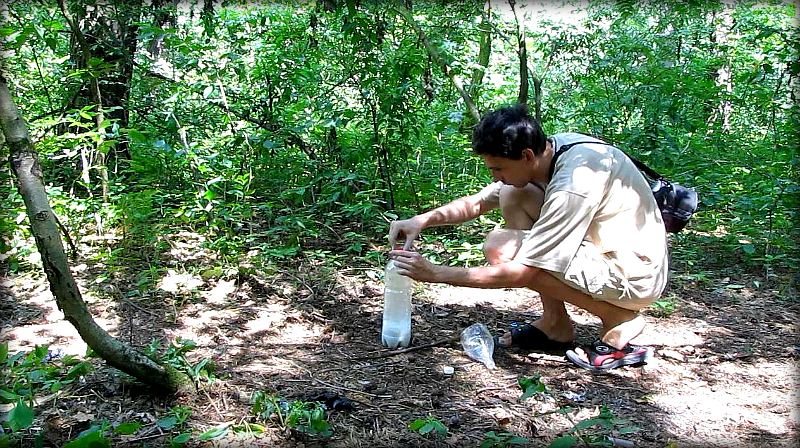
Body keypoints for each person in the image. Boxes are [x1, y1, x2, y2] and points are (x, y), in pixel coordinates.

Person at [387, 104, 669, 371]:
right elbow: (479, 202)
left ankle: (617, 318)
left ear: (526, 156)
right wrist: (421, 220)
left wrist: (436, 273)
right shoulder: (549, 150)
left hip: (632, 275)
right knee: (513, 193)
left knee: (500, 247)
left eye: (498, 168)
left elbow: (523, 272)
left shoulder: (575, 182)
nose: (495, 177)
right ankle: (555, 324)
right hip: (606, 252)